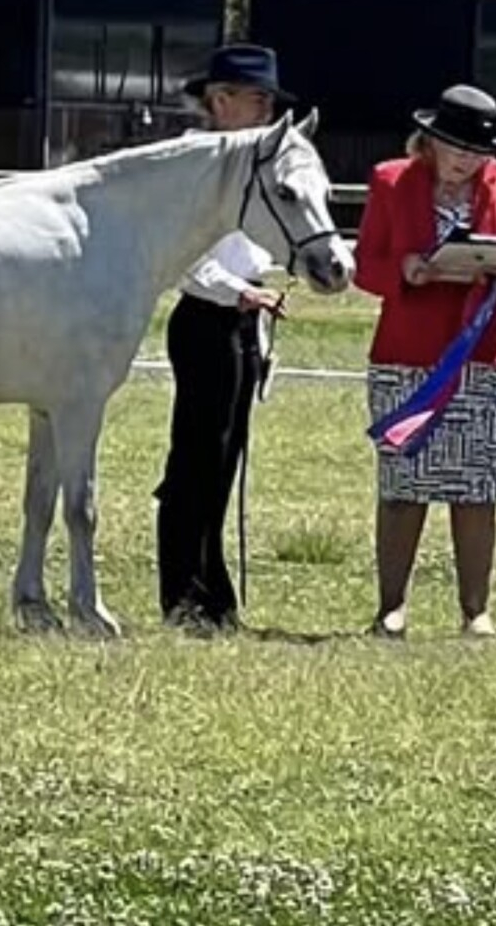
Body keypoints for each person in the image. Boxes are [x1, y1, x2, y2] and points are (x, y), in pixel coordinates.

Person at [354, 84, 496, 639]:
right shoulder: (391, 181)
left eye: (479, 152)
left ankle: (475, 610)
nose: (467, 160)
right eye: (457, 148)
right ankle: (391, 607)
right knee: (402, 485)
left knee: (478, 488)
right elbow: (366, 263)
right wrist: (405, 269)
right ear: (431, 140)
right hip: (407, 356)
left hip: (483, 356)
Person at [154, 43, 291, 634]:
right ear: (220, 101)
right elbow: (182, 256)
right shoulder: (192, 163)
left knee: (224, 460)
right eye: (256, 99)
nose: (265, 110)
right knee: (196, 459)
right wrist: (238, 291)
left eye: (268, 100)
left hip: (247, 312)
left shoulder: (256, 163)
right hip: (207, 313)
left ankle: (215, 595)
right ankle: (182, 593)